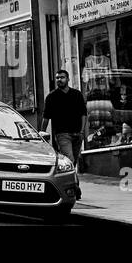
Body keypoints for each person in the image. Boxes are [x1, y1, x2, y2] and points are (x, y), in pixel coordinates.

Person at [41, 69, 88, 198]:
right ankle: (75, 188)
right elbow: (46, 117)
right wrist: (41, 133)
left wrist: (82, 131)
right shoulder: (52, 97)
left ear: (68, 79)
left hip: (77, 133)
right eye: (57, 78)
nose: (59, 80)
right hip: (62, 134)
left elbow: (84, 114)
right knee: (70, 159)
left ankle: (70, 185)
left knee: (74, 162)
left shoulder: (77, 95)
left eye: (62, 77)